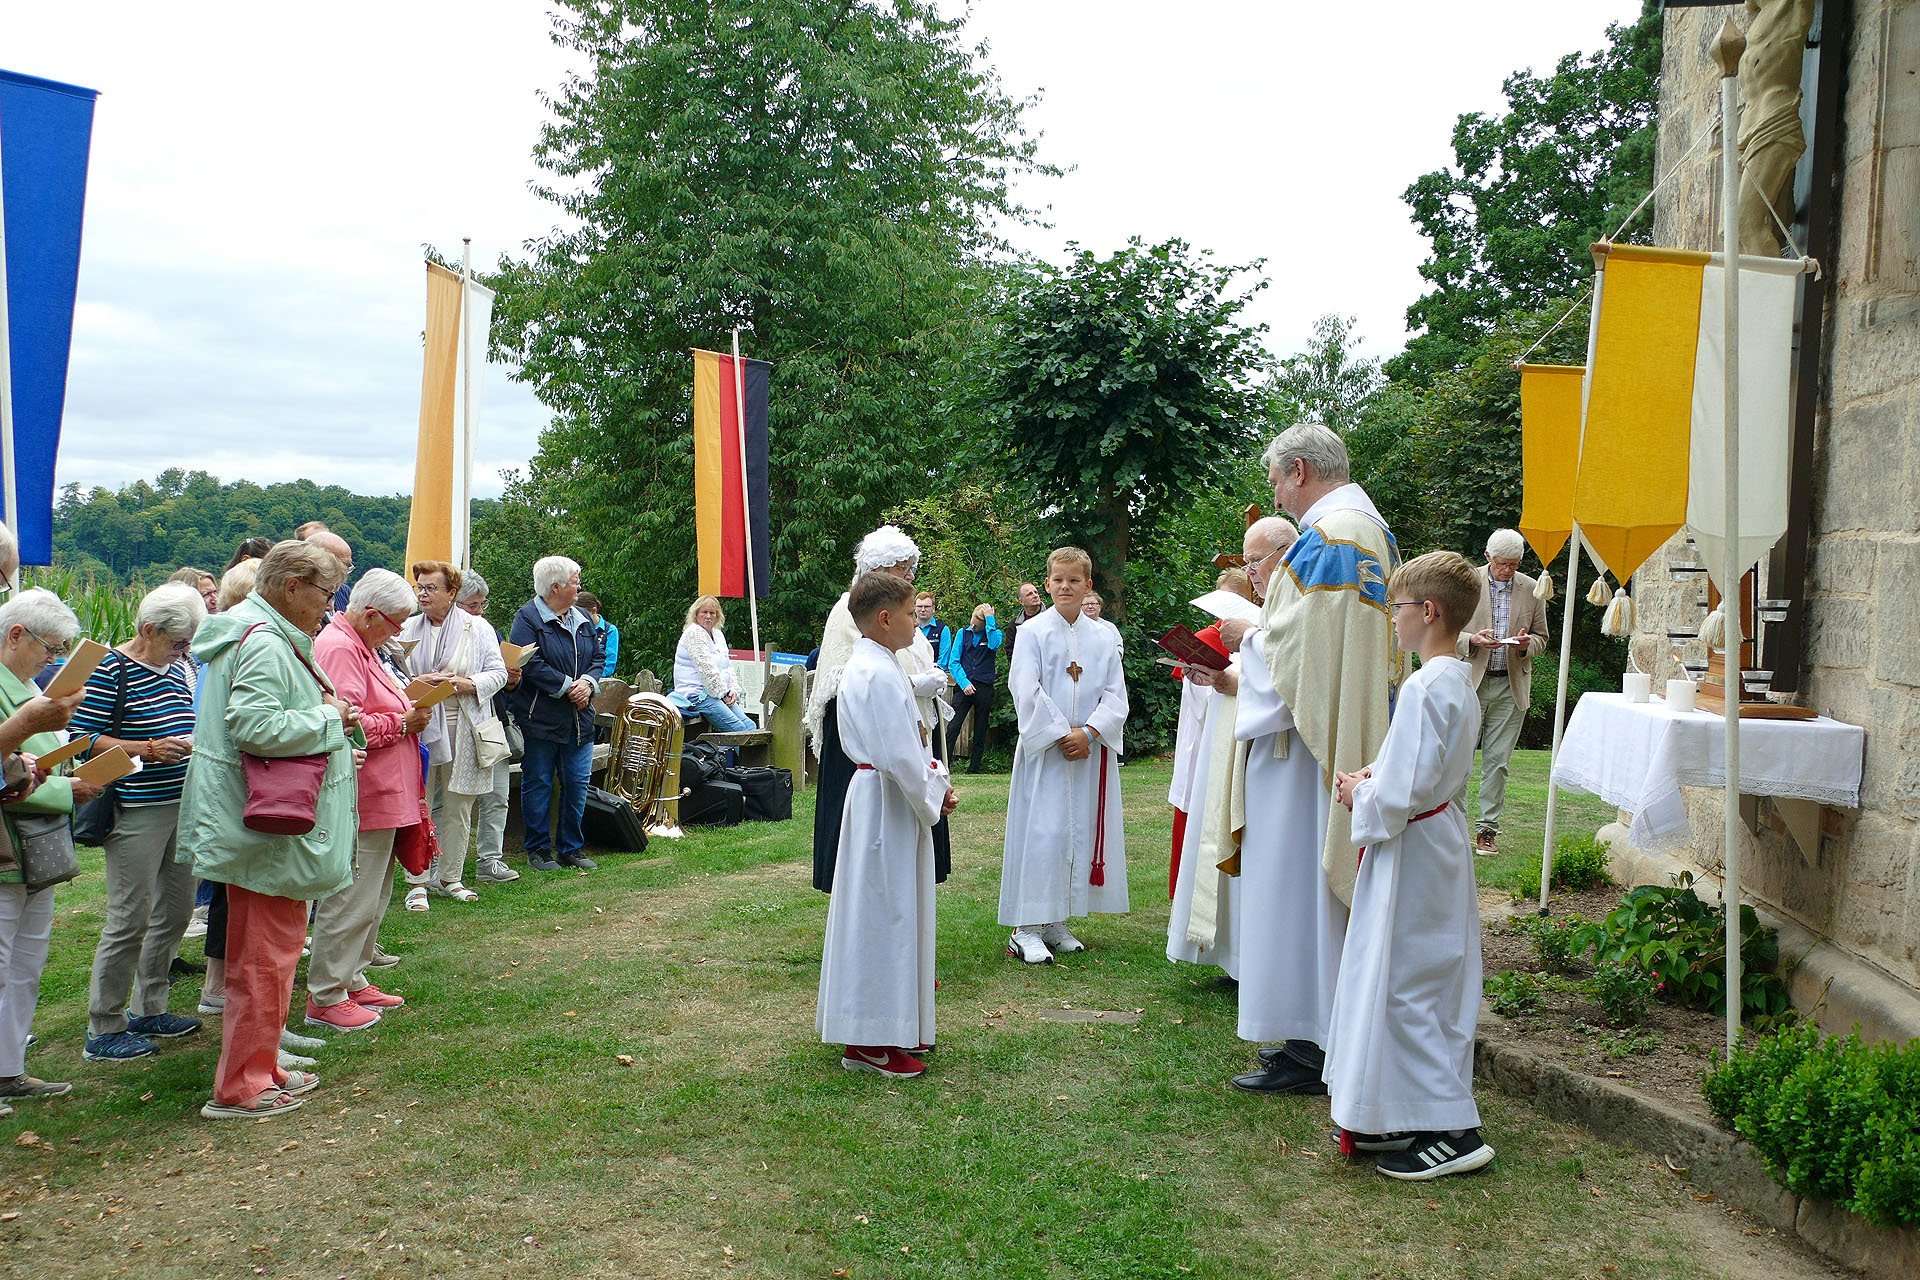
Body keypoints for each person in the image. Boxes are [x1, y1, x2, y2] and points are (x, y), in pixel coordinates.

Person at [1225, 425, 1400, 1095]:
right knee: (1296, 893)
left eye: (1275, 480)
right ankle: (1307, 1035)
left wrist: (1249, 638)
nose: (1275, 493)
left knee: (1299, 892)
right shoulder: (1362, 529)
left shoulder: (1335, 535)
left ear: (1299, 470)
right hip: (1321, 734)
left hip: (1308, 752)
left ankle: (1316, 1041)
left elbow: (1303, 649)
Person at [179, 539, 359, 1119]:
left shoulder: (263, 633)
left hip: (267, 825)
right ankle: (241, 1086)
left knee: (274, 955)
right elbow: (254, 725)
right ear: (291, 587)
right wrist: (329, 718)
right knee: (262, 959)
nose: (330, 608)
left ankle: (265, 1066)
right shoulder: (262, 642)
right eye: (325, 594)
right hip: (263, 828)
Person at [1329, 551, 1493, 1179]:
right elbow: (1419, 767)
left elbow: (1404, 792)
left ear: (1428, 612)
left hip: (1416, 852)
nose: (1392, 620)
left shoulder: (1428, 684)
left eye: (1397, 609)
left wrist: (1356, 793)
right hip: (1432, 842)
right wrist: (1376, 775)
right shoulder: (1453, 679)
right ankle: (1398, 1109)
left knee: (1408, 983)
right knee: (1413, 976)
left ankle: (1454, 1129)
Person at [815, 571, 958, 1080]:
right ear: (884, 618)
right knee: (881, 915)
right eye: (908, 614)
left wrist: (933, 777)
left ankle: (892, 1025)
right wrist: (936, 791)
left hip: (888, 798)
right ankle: (869, 1037)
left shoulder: (882, 663)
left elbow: (908, 744)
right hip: (884, 802)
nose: (914, 623)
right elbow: (896, 755)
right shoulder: (872, 672)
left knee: (895, 910)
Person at [72, 583, 208, 1063]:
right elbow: (79, 737)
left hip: (180, 804)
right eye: (177, 641)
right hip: (133, 808)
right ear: (148, 630)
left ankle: (150, 1006)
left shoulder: (174, 668)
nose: (183, 650)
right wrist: (144, 750)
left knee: (175, 909)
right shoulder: (111, 668)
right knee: (129, 915)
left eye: (187, 642)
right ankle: (104, 1026)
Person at [1169, 523, 1295, 980]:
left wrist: (1232, 679)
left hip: (1268, 753)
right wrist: (1216, 679)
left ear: (1285, 553)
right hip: (1230, 743)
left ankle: (1251, 960)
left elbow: (1288, 681)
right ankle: (1231, 955)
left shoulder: (1294, 608)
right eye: (1246, 562)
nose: (1249, 571)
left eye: (1255, 561)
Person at [305, 569, 426, 1031]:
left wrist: (407, 708)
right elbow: (345, 726)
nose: (398, 633)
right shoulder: (339, 647)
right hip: (362, 793)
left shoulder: (364, 645)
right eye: (396, 624)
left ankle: (352, 978)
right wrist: (402, 723)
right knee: (352, 897)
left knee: (373, 895)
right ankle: (327, 994)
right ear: (371, 614)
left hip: (383, 792)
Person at [999, 546, 1129, 963]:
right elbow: (1025, 688)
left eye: (1074, 580)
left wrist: (1090, 733)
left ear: (1088, 584)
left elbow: (1115, 693)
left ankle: (1055, 920)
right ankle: (1026, 927)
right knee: (1043, 832)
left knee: (1075, 833)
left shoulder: (1103, 636)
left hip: (1086, 752)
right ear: (1047, 582)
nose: (1065, 587)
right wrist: (1060, 734)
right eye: (1058, 580)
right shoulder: (1033, 633)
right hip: (1047, 753)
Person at [806, 527, 952, 894]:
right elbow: (850, 674)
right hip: (865, 739)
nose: (911, 573)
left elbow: (910, 655)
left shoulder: (904, 607)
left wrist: (928, 678)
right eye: (903, 566)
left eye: (911, 565)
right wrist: (917, 683)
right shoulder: (850, 609)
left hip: (907, 726)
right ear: (878, 568)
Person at [0, 586, 99, 1105]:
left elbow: (27, 762)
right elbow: (9, 773)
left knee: (26, 963)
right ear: (16, 635)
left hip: (33, 849)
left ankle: (8, 1067)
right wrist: (66, 787)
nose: (54, 660)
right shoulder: (11, 692)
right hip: (7, 847)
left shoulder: (23, 688)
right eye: (50, 647)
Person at [401, 560, 511, 903]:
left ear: (452, 593)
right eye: (419, 587)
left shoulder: (477, 628)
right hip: (420, 726)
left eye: (431, 588)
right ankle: (417, 881)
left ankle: (451, 878)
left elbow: (499, 672)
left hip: (462, 726)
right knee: (417, 805)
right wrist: (417, 682)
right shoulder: (407, 627)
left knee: (459, 807)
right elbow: (391, 672)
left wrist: (467, 683)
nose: (423, 594)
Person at [507, 556, 602, 873]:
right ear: (556, 587)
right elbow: (527, 662)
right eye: (575, 581)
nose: (579, 586)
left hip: (580, 719)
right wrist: (565, 687)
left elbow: (598, 657)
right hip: (540, 720)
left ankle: (571, 850)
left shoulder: (583, 620)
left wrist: (587, 684)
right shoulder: (528, 618)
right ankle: (538, 850)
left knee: (577, 785)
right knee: (539, 784)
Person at [1457, 529, 1550, 856]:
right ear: (1487, 558)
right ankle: (1454, 825)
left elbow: (1542, 637)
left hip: (1511, 686)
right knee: (1460, 758)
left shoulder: (1532, 587)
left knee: (1497, 763)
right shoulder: (1466, 581)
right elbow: (1445, 630)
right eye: (1502, 564)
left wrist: (1527, 645)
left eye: (1513, 564)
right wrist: (1472, 640)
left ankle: (1487, 830)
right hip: (1471, 681)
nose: (1508, 570)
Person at [455, 572, 520, 883]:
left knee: (498, 796)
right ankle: (440, 867)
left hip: (492, 724)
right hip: (456, 726)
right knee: (452, 802)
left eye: (482, 604)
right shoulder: (444, 633)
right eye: (472, 605)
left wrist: (511, 680)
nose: (479, 611)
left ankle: (490, 861)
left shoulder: (488, 630)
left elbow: (499, 685)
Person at [671, 596, 754, 733]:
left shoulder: (718, 634)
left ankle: (751, 755)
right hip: (696, 695)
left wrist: (732, 690)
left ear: (717, 616)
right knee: (739, 730)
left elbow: (727, 666)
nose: (708, 616)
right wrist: (723, 693)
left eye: (712, 613)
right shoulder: (694, 632)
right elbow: (706, 669)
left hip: (717, 694)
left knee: (750, 726)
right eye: (704, 612)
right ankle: (747, 755)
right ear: (696, 614)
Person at [943, 603, 1002, 774]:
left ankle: (974, 767)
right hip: (964, 686)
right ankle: (946, 764)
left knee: (980, 728)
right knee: (953, 725)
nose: (972, 625)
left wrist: (990, 619)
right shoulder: (962, 633)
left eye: (977, 624)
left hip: (984, 686)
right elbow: (953, 662)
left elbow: (993, 645)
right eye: (972, 621)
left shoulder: (995, 634)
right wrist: (964, 683)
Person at [297, 527, 355, 613]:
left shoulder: (344, 591)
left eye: (347, 566)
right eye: (341, 565)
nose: (345, 573)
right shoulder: (300, 594)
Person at [577, 592, 620, 680]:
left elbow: (609, 664)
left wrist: (590, 680)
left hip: (601, 681)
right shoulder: (578, 628)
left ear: (594, 611)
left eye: (582, 614)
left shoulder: (610, 630)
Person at [1003, 581, 1045, 660]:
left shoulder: (1052, 618)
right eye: (1030, 594)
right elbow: (1010, 652)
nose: (1035, 595)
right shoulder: (1015, 625)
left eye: (1036, 592)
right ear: (1021, 601)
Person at [913, 593, 951, 667]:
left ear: (933, 608)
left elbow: (943, 661)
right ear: (914, 608)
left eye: (926, 606)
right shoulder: (908, 628)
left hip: (935, 674)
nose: (923, 610)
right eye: (919, 606)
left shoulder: (943, 630)